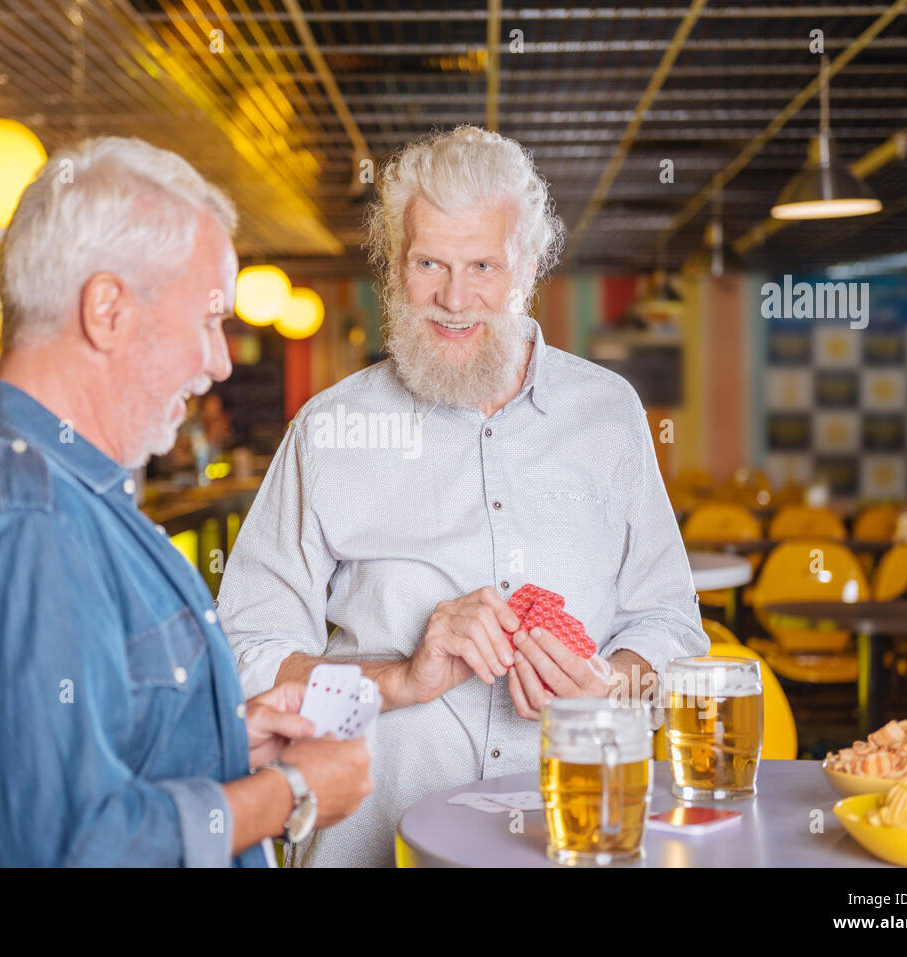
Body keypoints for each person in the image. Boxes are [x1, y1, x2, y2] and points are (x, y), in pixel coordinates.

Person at [217, 126, 707, 867]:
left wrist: (613, 683)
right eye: (428, 263)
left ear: (529, 265)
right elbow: (244, 651)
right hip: (371, 846)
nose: (453, 297)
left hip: (575, 839)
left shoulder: (610, 413)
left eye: (482, 264)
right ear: (394, 265)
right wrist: (397, 678)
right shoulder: (330, 428)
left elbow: (670, 623)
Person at [0, 137, 371, 867]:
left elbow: (92, 752)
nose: (221, 360)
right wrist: (293, 790)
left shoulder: (58, 493)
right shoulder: (26, 524)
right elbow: (70, 846)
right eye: (208, 320)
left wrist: (228, 740)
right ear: (107, 309)